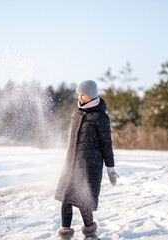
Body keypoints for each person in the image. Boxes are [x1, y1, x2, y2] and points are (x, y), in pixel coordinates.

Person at [55, 80, 119, 240]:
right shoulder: (77, 114)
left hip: (89, 166)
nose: (80, 98)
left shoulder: (100, 117)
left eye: (83, 95)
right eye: (79, 95)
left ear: (91, 95)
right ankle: (65, 235)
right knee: (66, 198)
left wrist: (110, 167)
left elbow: (106, 144)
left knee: (84, 199)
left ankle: (90, 233)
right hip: (71, 164)